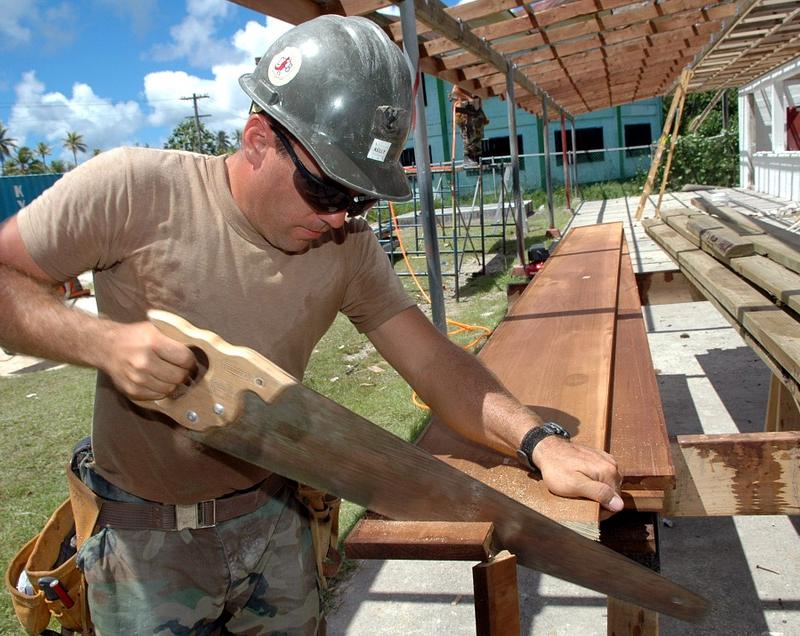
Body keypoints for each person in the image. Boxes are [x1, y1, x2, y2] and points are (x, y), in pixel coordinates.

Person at [0, 15, 622, 635]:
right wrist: (102, 343)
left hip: (275, 518)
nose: (340, 219)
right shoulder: (134, 190)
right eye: (326, 192)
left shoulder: (347, 246)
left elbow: (433, 362)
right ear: (257, 139)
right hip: (145, 542)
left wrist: (538, 443)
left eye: (361, 200)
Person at [450, 84, 489, 168]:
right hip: (464, 110)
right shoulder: (463, 79)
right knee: (468, 134)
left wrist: (480, 111)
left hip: (475, 111)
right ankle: (468, 157)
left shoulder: (476, 81)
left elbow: (479, 97)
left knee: (478, 134)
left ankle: (478, 157)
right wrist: (468, 98)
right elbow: (455, 91)